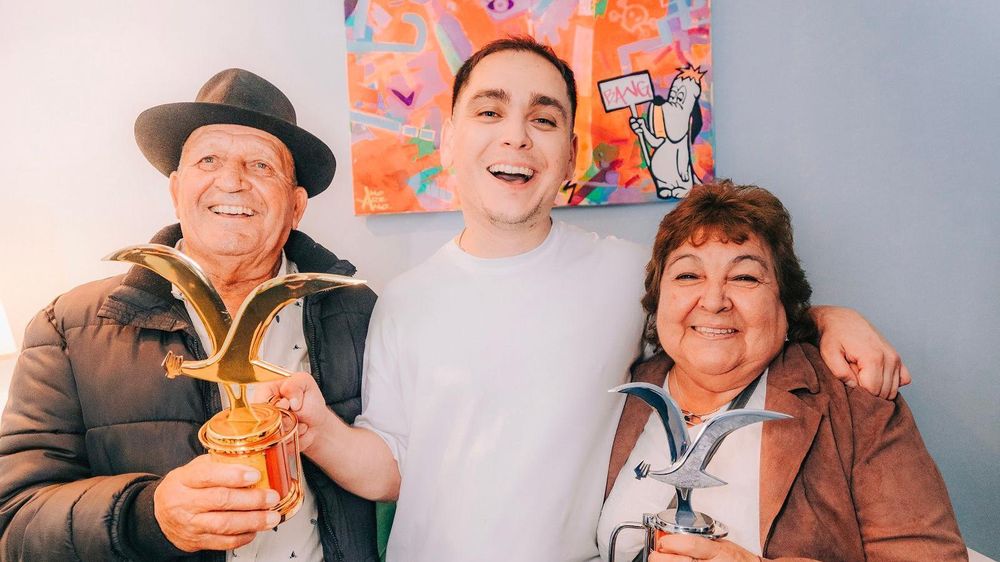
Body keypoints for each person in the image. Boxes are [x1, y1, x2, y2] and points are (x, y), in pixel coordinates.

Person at [269, 38, 909, 561]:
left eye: (543, 119)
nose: (516, 137)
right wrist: (318, 430)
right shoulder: (402, 302)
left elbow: (728, 323)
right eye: (490, 112)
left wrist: (829, 318)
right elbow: (392, 467)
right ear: (449, 141)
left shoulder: (626, 275)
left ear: (569, 156)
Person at [0, 69, 378, 561]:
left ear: (296, 206)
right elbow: (12, 521)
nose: (232, 181)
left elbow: (405, 467)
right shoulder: (68, 328)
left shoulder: (363, 314)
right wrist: (147, 514)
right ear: (177, 191)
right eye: (209, 160)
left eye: (261, 165)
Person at [598, 180, 966, 561]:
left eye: (745, 277)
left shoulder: (856, 403)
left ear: (784, 303)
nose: (713, 300)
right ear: (658, 301)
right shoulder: (620, 389)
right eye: (688, 275)